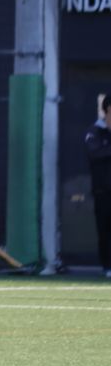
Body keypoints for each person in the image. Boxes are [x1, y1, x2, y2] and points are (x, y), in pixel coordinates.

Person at [85, 93, 111, 278]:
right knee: (105, 230)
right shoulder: (94, 131)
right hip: (104, 191)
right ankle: (108, 266)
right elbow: (94, 154)